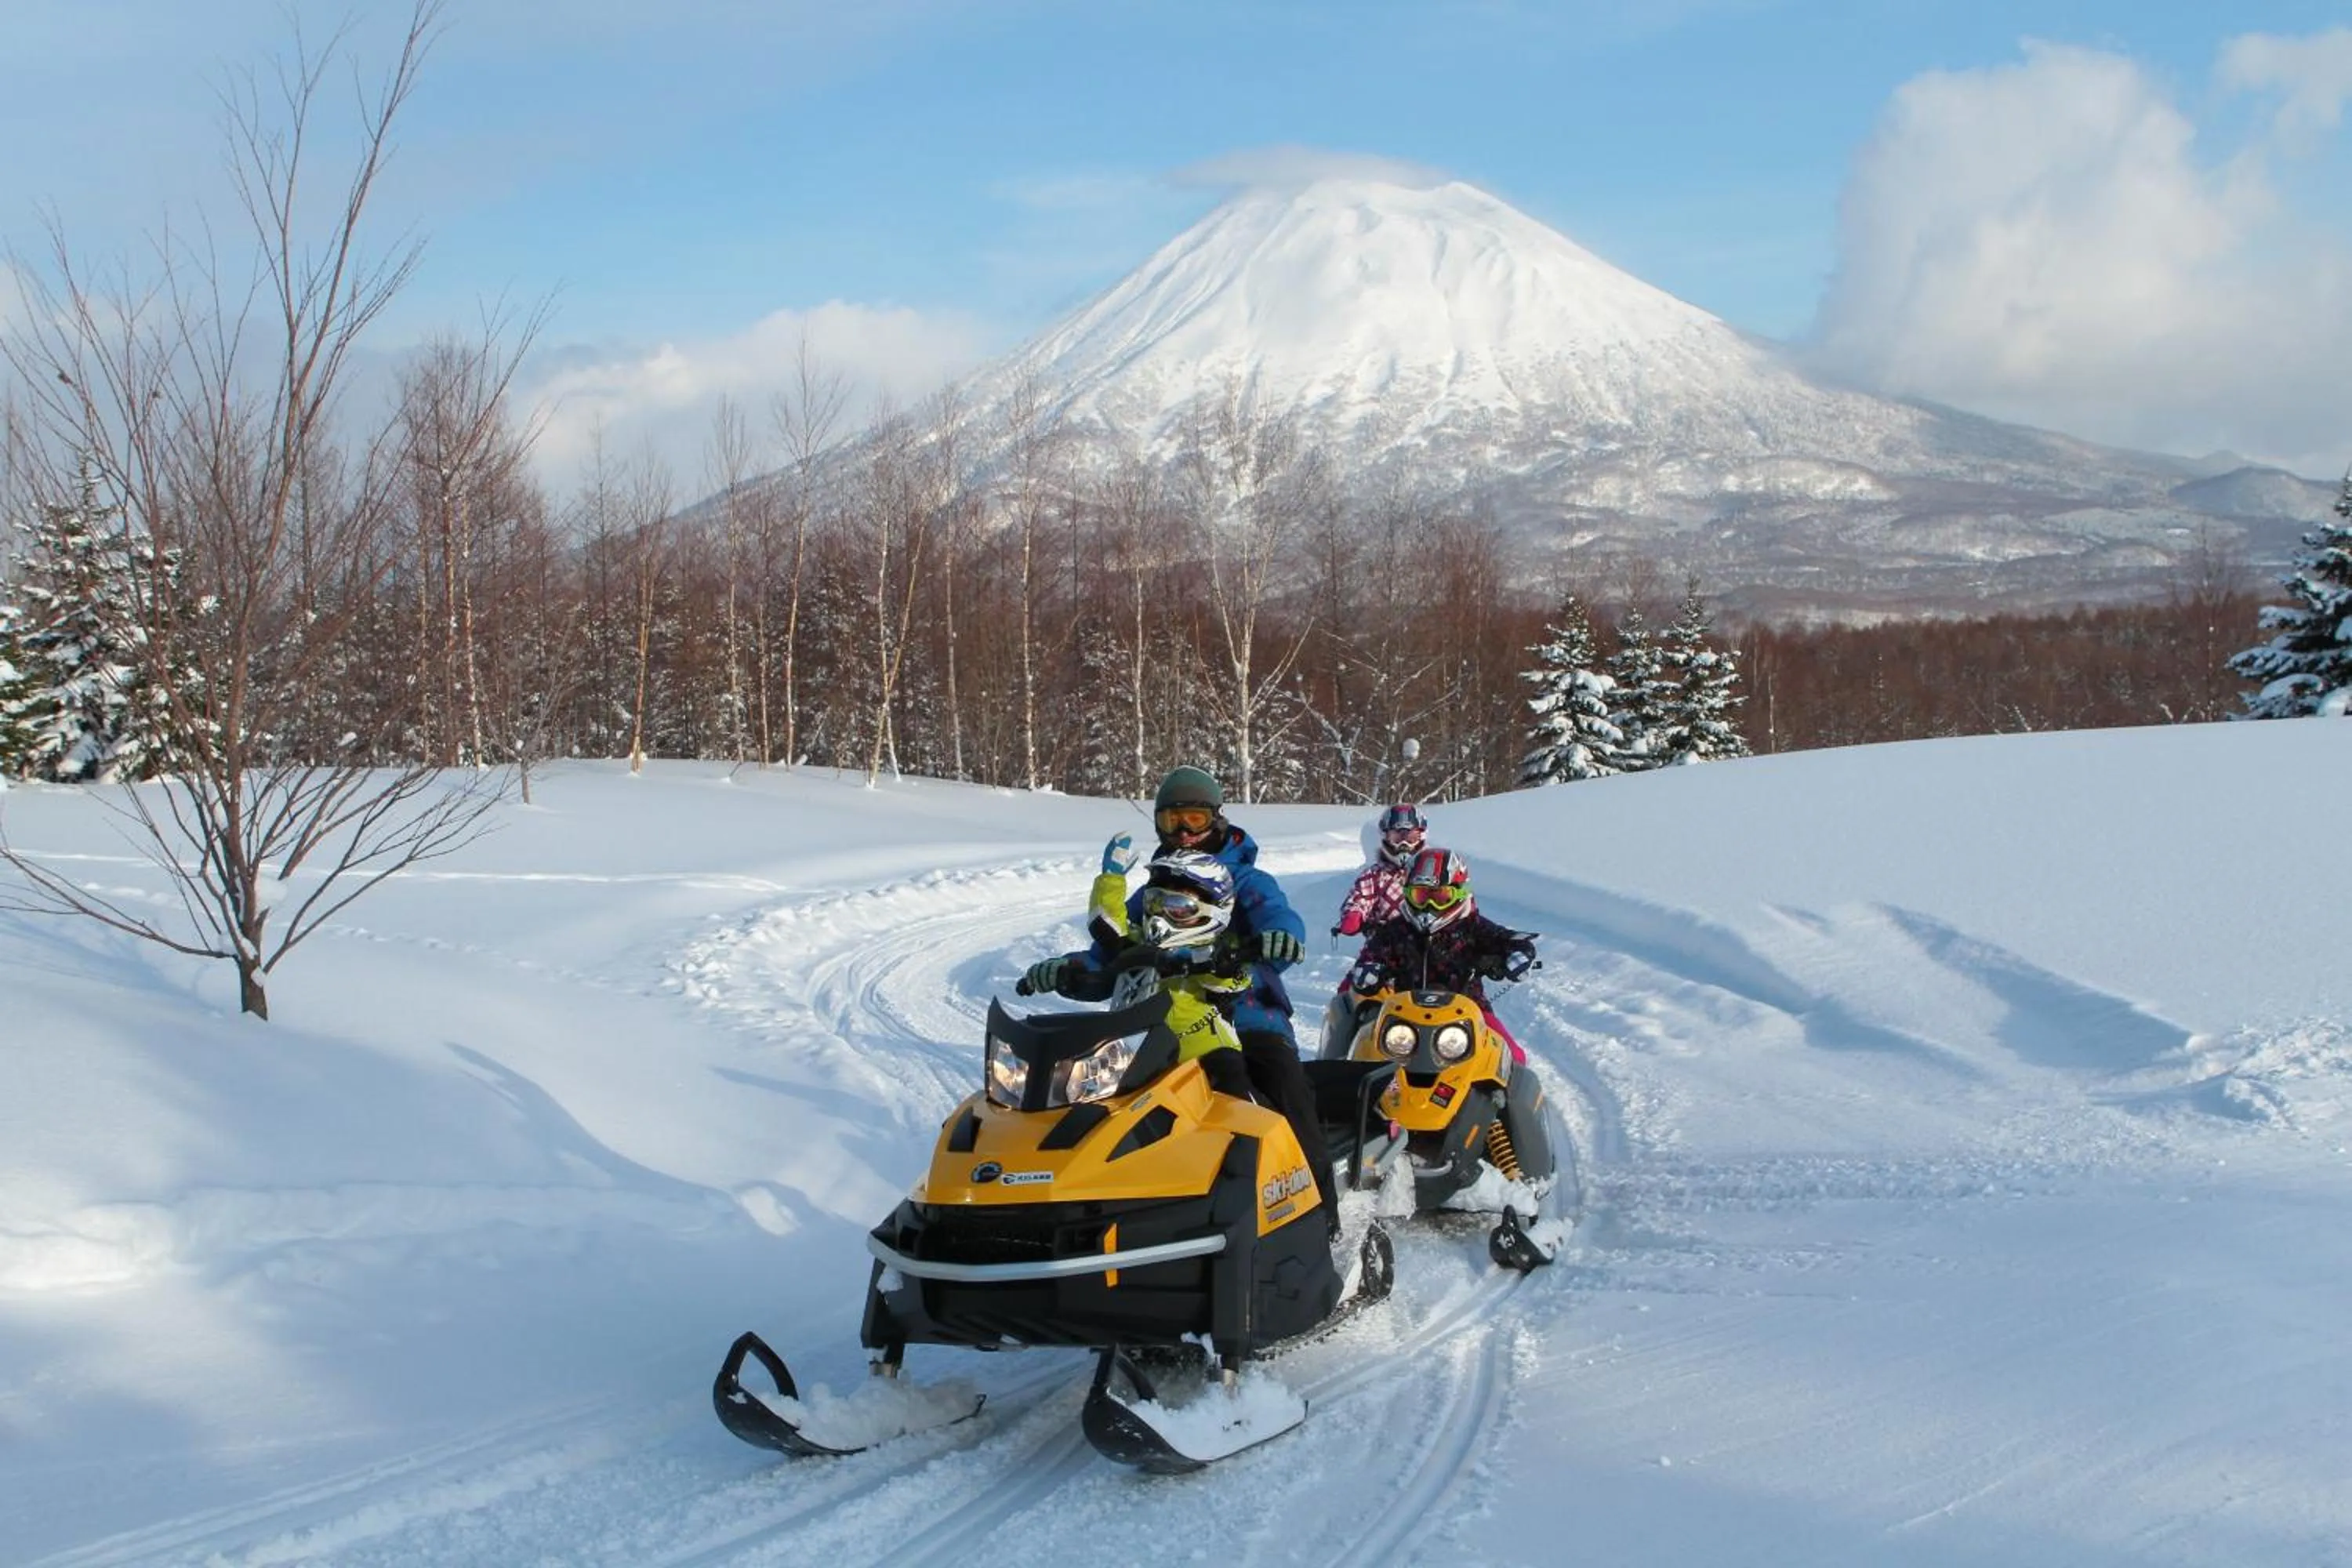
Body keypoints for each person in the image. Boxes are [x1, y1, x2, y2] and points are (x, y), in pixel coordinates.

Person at [1023, 766, 1336, 1223]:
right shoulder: (1155, 888)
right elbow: (1113, 950)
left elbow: (1277, 915)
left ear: (1217, 819)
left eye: (1194, 819)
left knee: (1281, 1083)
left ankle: (1320, 1217)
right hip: (1155, 1023)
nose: (1185, 832)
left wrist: (1278, 938)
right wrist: (1069, 971)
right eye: (1173, 821)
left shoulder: (1246, 880)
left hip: (1245, 1016)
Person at [1343, 847, 1538, 1065]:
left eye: (1441, 897)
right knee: (1364, 1050)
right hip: (1405, 1016)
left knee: (1513, 1057)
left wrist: (1518, 955)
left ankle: (1511, 1097)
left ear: (1460, 893)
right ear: (1407, 895)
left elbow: (1508, 939)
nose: (1430, 906)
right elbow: (1373, 953)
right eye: (1421, 896)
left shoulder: (1472, 927)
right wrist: (1368, 970)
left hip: (1470, 1014)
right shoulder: (1396, 931)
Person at [1333, 802, 1425, 939]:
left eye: (1411, 838)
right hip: (1384, 946)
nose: (1404, 845)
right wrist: (1353, 914)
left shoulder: (1431, 870)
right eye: (1397, 838)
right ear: (1386, 837)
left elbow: (1452, 893)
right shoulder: (1375, 875)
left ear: (1421, 838)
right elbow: (1360, 898)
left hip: (1427, 944)